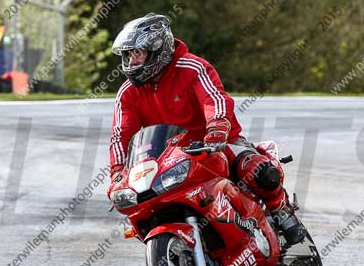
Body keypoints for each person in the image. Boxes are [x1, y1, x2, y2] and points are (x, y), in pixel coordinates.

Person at [106, 13, 306, 245]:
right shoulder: (127, 92)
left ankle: (281, 211)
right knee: (140, 203)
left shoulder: (192, 67)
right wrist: (118, 172)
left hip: (216, 144)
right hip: (166, 160)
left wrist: (217, 129)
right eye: (128, 55)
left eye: (137, 53)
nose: (131, 62)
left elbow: (215, 100)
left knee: (256, 169)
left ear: (158, 48)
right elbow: (120, 135)